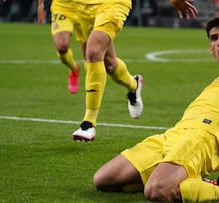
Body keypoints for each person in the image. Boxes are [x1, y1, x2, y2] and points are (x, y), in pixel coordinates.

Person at [92, 16, 219, 202]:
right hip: (174, 135)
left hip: (202, 138)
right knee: (103, 180)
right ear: (210, 48)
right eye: (214, 38)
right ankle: (185, 178)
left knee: (157, 191)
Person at [71, 0, 198, 142]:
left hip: (112, 4)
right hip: (82, 6)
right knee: (109, 64)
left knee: (93, 52)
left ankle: (88, 123)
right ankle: (134, 85)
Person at [37, 0, 84, 94]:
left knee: (95, 56)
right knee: (61, 46)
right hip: (62, 7)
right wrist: (41, 5)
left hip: (87, 7)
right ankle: (74, 69)